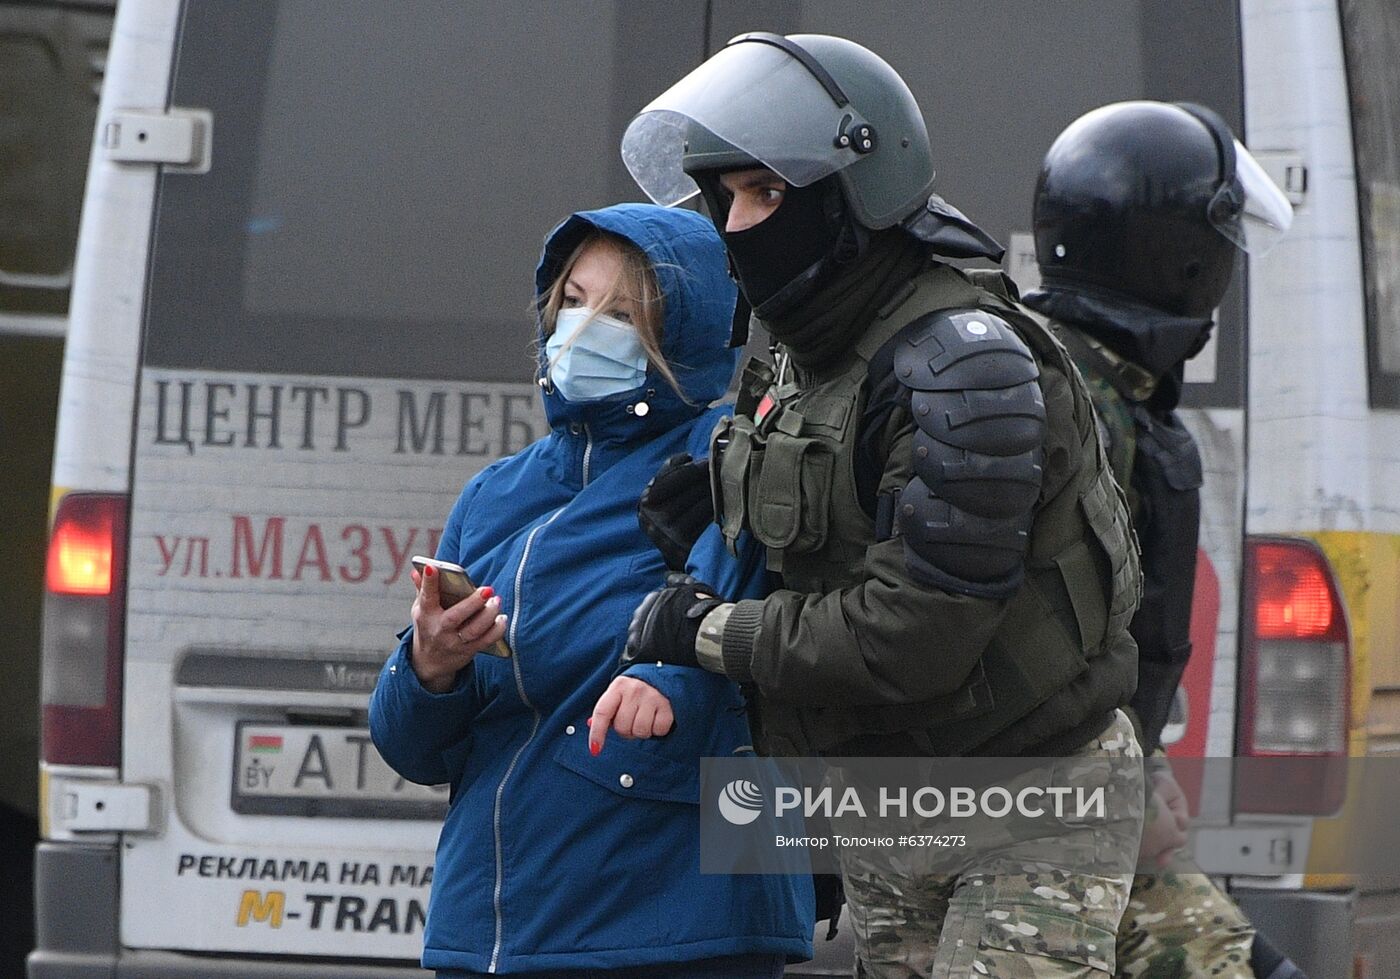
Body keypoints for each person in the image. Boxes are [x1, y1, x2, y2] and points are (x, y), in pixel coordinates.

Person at [613, 32, 1146, 978]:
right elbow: (835, 531)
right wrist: (726, 514)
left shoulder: (965, 366)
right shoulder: (808, 343)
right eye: (725, 196)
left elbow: (916, 634)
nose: (737, 224)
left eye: (766, 193)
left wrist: (709, 631)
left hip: (1033, 792)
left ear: (853, 195)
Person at [368, 202, 813, 978]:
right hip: (491, 931)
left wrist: (670, 672)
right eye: (573, 301)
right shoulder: (495, 493)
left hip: (683, 925)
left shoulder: (728, 455)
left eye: (620, 313)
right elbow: (411, 749)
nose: (581, 328)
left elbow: (747, 612)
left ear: (683, 335)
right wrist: (429, 668)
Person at [1025, 100, 1305, 979]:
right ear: (1183, 256)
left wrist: (1141, 774)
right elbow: (1039, 654)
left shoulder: (1100, 386)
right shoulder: (1077, 407)